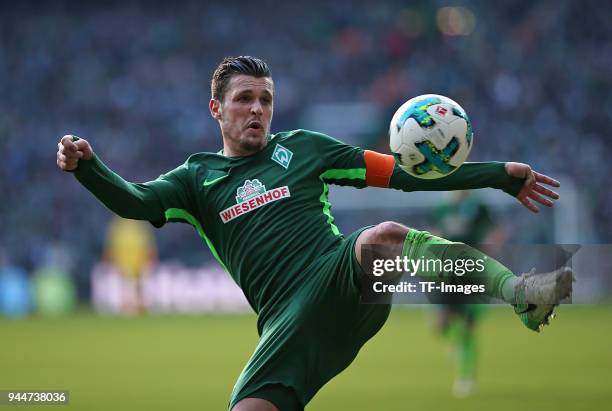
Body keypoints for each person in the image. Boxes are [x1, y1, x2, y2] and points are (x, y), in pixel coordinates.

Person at [56, 56, 572, 411]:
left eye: (265, 99)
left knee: (385, 236)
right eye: (243, 100)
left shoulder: (305, 149)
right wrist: (88, 167)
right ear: (216, 109)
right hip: (287, 325)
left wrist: (498, 175)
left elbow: (402, 173)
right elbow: (136, 201)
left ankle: (519, 293)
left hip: (337, 276)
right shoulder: (196, 179)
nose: (256, 109)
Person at [430, 190, 507, 398]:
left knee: (468, 326)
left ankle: (466, 378)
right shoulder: (441, 207)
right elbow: (435, 233)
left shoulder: (478, 206)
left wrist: (490, 249)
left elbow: (496, 230)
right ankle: (456, 341)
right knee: (440, 325)